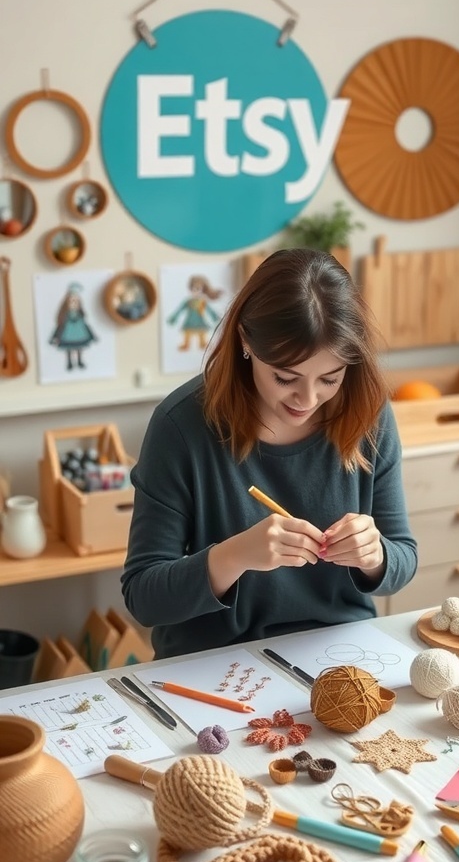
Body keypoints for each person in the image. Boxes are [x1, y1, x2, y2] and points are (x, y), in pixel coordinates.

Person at [121, 248, 417, 660]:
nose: (308, 399)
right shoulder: (181, 427)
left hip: (338, 653)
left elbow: (403, 559)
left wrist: (375, 555)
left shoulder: (369, 413)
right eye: (285, 377)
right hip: (212, 661)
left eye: (329, 378)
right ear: (245, 340)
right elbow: (143, 597)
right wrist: (235, 556)